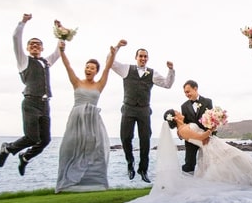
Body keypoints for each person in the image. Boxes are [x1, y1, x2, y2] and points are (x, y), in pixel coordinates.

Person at [123, 110, 252, 203]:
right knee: (235, 162)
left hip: (213, 145)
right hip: (210, 146)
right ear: (175, 117)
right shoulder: (183, 130)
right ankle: (245, 185)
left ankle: (248, 182)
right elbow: (202, 138)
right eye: (178, 112)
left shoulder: (185, 127)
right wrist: (211, 127)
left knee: (237, 162)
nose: (181, 112)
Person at [0, 13, 63, 176]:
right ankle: (7, 148)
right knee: (32, 137)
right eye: (32, 44)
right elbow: (15, 38)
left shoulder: (46, 62)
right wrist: (23, 22)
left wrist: (59, 31)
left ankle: (25, 157)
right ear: (27, 48)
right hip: (30, 103)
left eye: (38, 44)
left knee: (45, 140)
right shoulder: (23, 60)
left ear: (42, 48)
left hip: (45, 104)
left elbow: (60, 50)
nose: (35, 46)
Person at [55, 40, 120, 193]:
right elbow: (68, 66)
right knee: (69, 148)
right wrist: (62, 51)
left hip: (92, 122)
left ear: (96, 71)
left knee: (95, 150)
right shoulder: (77, 82)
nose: (89, 69)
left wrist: (114, 52)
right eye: (87, 67)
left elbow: (108, 68)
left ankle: (93, 182)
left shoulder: (99, 85)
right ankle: (67, 181)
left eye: (92, 68)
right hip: (76, 121)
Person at [111, 44, 175, 183]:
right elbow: (111, 63)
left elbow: (167, 84)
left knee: (145, 140)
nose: (143, 58)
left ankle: (143, 169)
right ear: (136, 57)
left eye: (145, 56)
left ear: (148, 59)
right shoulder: (126, 69)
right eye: (140, 56)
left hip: (144, 110)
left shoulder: (152, 73)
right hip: (128, 109)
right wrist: (116, 48)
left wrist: (171, 70)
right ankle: (130, 163)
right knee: (125, 138)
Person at [179, 80, 213, 173]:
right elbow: (184, 123)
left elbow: (212, 119)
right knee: (189, 163)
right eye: (185, 92)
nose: (187, 94)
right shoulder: (184, 106)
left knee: (207, 164)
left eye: (188, 91)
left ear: (195, 88)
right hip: (192, 140)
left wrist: (207, 135)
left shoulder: (208, 102)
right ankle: (187, 183)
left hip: (206, 138)